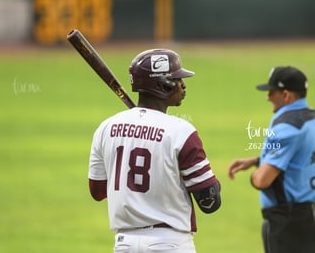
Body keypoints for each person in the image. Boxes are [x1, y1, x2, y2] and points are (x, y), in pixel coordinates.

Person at [88, 49, 221, 253]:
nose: (183, 85)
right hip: (171, 244)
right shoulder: (182, 132)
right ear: (162, 85)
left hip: (124, 244)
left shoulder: (106, 128)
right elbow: (210, 203)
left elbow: (97, 192)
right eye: (177, 79)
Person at [228, 66, 315, 253]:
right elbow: (299, 156)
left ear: (286, 95)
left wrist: (256, 174)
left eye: (271, 92)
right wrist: (257, 160)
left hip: (288, 223)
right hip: (310, 216)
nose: (267, 97)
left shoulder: (288, 126)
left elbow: (262, 180)